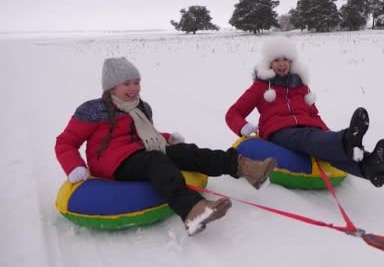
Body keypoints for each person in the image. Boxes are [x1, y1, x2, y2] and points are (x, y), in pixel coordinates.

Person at [55, 57, 277, 236]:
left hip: (139, 151)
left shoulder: (141, 107)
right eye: (126, 83)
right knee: (156, 161)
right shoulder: (93, 111)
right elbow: (66, 142)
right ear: (111, 87)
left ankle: (247, 168)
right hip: (112, 163)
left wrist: (167, 137)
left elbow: (145, 134)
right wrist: (74, 166)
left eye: (136, 82)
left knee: (186, 152)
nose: (133, 88)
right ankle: (192, 211)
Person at [225, 38, 384, 187]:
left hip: (309, 130)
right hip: (279, 131)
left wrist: (326, 132)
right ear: (269, 63)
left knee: (323, 148)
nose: (282, 64)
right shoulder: (260, 87)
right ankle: (345, 141)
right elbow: (233, 112)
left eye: (285, 60)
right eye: (276, 60)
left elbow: (314, 115)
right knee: (307, 138)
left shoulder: (301, 86)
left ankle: (369, 167)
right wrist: (242, 127)